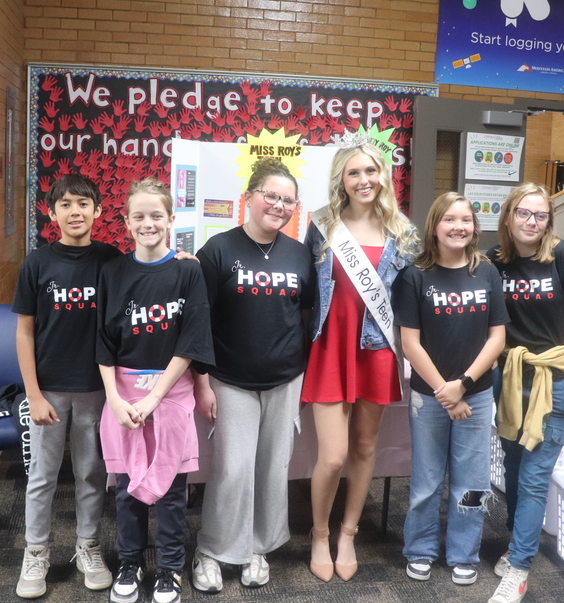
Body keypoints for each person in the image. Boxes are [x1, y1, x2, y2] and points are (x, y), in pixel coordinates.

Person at [191, 158, 315, 594]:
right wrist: (202, 383)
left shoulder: (300, 254)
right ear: (249, 197)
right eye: (271, 196)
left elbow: (305, 318)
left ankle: (257, 547)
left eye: (287, 200)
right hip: (230, 380)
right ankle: (211, 550)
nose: (278, 205)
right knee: (233, 469)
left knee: (272, 468)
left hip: (284, 380)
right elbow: (198, 325)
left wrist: (302, 379)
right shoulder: (218, 251)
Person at [302, 134, 418, 582]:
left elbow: (413, 297)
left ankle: (347, 533)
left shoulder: (403, 233)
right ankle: (318, 533)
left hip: (377, 351)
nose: (364, 179)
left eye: (371, 170)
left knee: (365, 447)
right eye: (354, 172)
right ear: (342, 180)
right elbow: (302, 284)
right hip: (331, 346)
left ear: (382, 175)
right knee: (332, 456)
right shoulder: (321, 225)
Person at [96, 178, 215, 603]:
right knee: (126, 486)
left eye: (156, 216)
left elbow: (191, 341)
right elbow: (103, 341)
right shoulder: (112, 271)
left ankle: (169, 568)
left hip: (171, 393)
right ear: (126, 222)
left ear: (171, 220)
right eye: (139, 216)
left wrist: (154, 397)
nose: (148, 223)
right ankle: (129, 562)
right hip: (123, 394)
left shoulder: (188, 271)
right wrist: (114, 397)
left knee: (171, 491)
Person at [11, 173, 121, 598]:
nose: (75, 211)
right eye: (66, 204)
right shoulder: (36, 264)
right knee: (42, 475)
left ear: (97, 210)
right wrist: (33, 394)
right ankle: (36, 551)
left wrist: (184, 262)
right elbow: (24, 333)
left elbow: (152, 276)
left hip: (96, 387)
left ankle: (88, 546)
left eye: (83, 203)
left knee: (92, 472)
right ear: (52, 212)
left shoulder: (112, 260)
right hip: (49, 390)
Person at [392, 192, 508, 586]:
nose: (459, 226)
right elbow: (410, 343)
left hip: (474, 397)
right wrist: (445, 391)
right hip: (429, 398)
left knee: (472, 484)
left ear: (474, 227)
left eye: (466, 219)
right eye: (449, 219)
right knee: (426, 482)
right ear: (435, 227)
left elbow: (497, 339)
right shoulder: (414, 276)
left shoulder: (487, 273)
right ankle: (420, 550)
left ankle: (464, 553)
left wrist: (464, 385)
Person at [486, 183, 564, 603]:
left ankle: (520, 566)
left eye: (541, 215)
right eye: (524, 213)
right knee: (511, 463)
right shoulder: (495, 261)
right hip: (509, 376)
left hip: (551, 376)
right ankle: (517, 541)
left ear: (549, 219)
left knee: (534, 474)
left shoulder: (563, 255)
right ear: (509, 216)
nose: (532, 222)